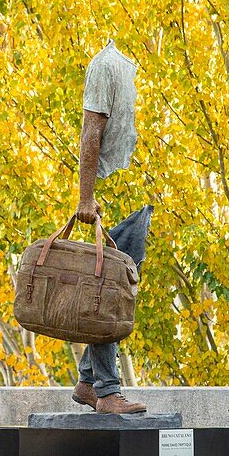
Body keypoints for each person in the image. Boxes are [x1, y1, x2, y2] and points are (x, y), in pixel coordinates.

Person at [71, 40, 151, 414]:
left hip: (137, 196)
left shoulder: (139, 60)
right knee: (109, 293)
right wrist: (85, 197)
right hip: (113, 195)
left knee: (117, 293)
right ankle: (105, 389)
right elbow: (91, 131)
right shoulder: (108, 64)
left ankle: (90, 381)